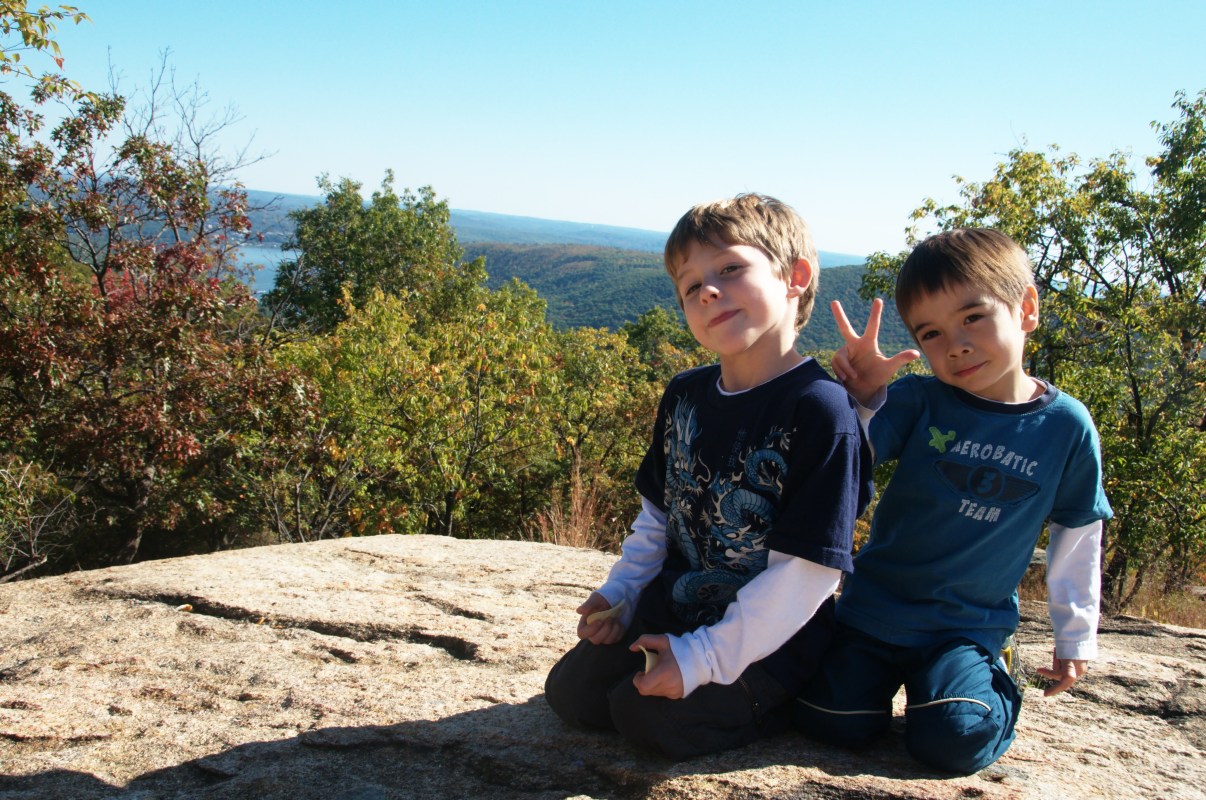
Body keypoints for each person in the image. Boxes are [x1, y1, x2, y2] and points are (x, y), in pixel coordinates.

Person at [543, 193, 873, 760]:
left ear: (794, 277)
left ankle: (779, 701)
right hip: (676, 607)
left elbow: (808, 575)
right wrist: (622, 595)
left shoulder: (821, 410)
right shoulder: (685, 395)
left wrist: (704, 659)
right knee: (573, 697)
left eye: (729, 269)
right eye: (690, 286)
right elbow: (658, 516)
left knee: (648, 719)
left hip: (773, 637)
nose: (708, 291)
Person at [794, 228, 1112, 775]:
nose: (956, 344)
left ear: (1026, 308)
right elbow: (849, 465)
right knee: (831, 719)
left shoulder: (1066, 426)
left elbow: (1078, 529)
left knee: (952, 738)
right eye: (931, 333)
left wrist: (1076, 635)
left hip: (966, 625)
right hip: (874, 609)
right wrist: (863, 402)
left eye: (973, 318)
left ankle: (990, 680)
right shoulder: (919, 400)